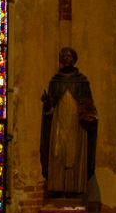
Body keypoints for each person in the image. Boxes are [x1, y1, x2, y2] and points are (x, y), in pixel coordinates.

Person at [40, 48, 98, 198]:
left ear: (74, 59)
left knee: (76, 153)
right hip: (58, 124)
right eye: (62, 56)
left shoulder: (82, 81)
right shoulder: (55, 82)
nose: (65, 59)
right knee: (57, 152)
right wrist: (47, 104)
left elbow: (89, 107)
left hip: (76, 126)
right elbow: (49, 113)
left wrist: (89, 117)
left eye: (68, 56)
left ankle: (75, 190)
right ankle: (57, 189)